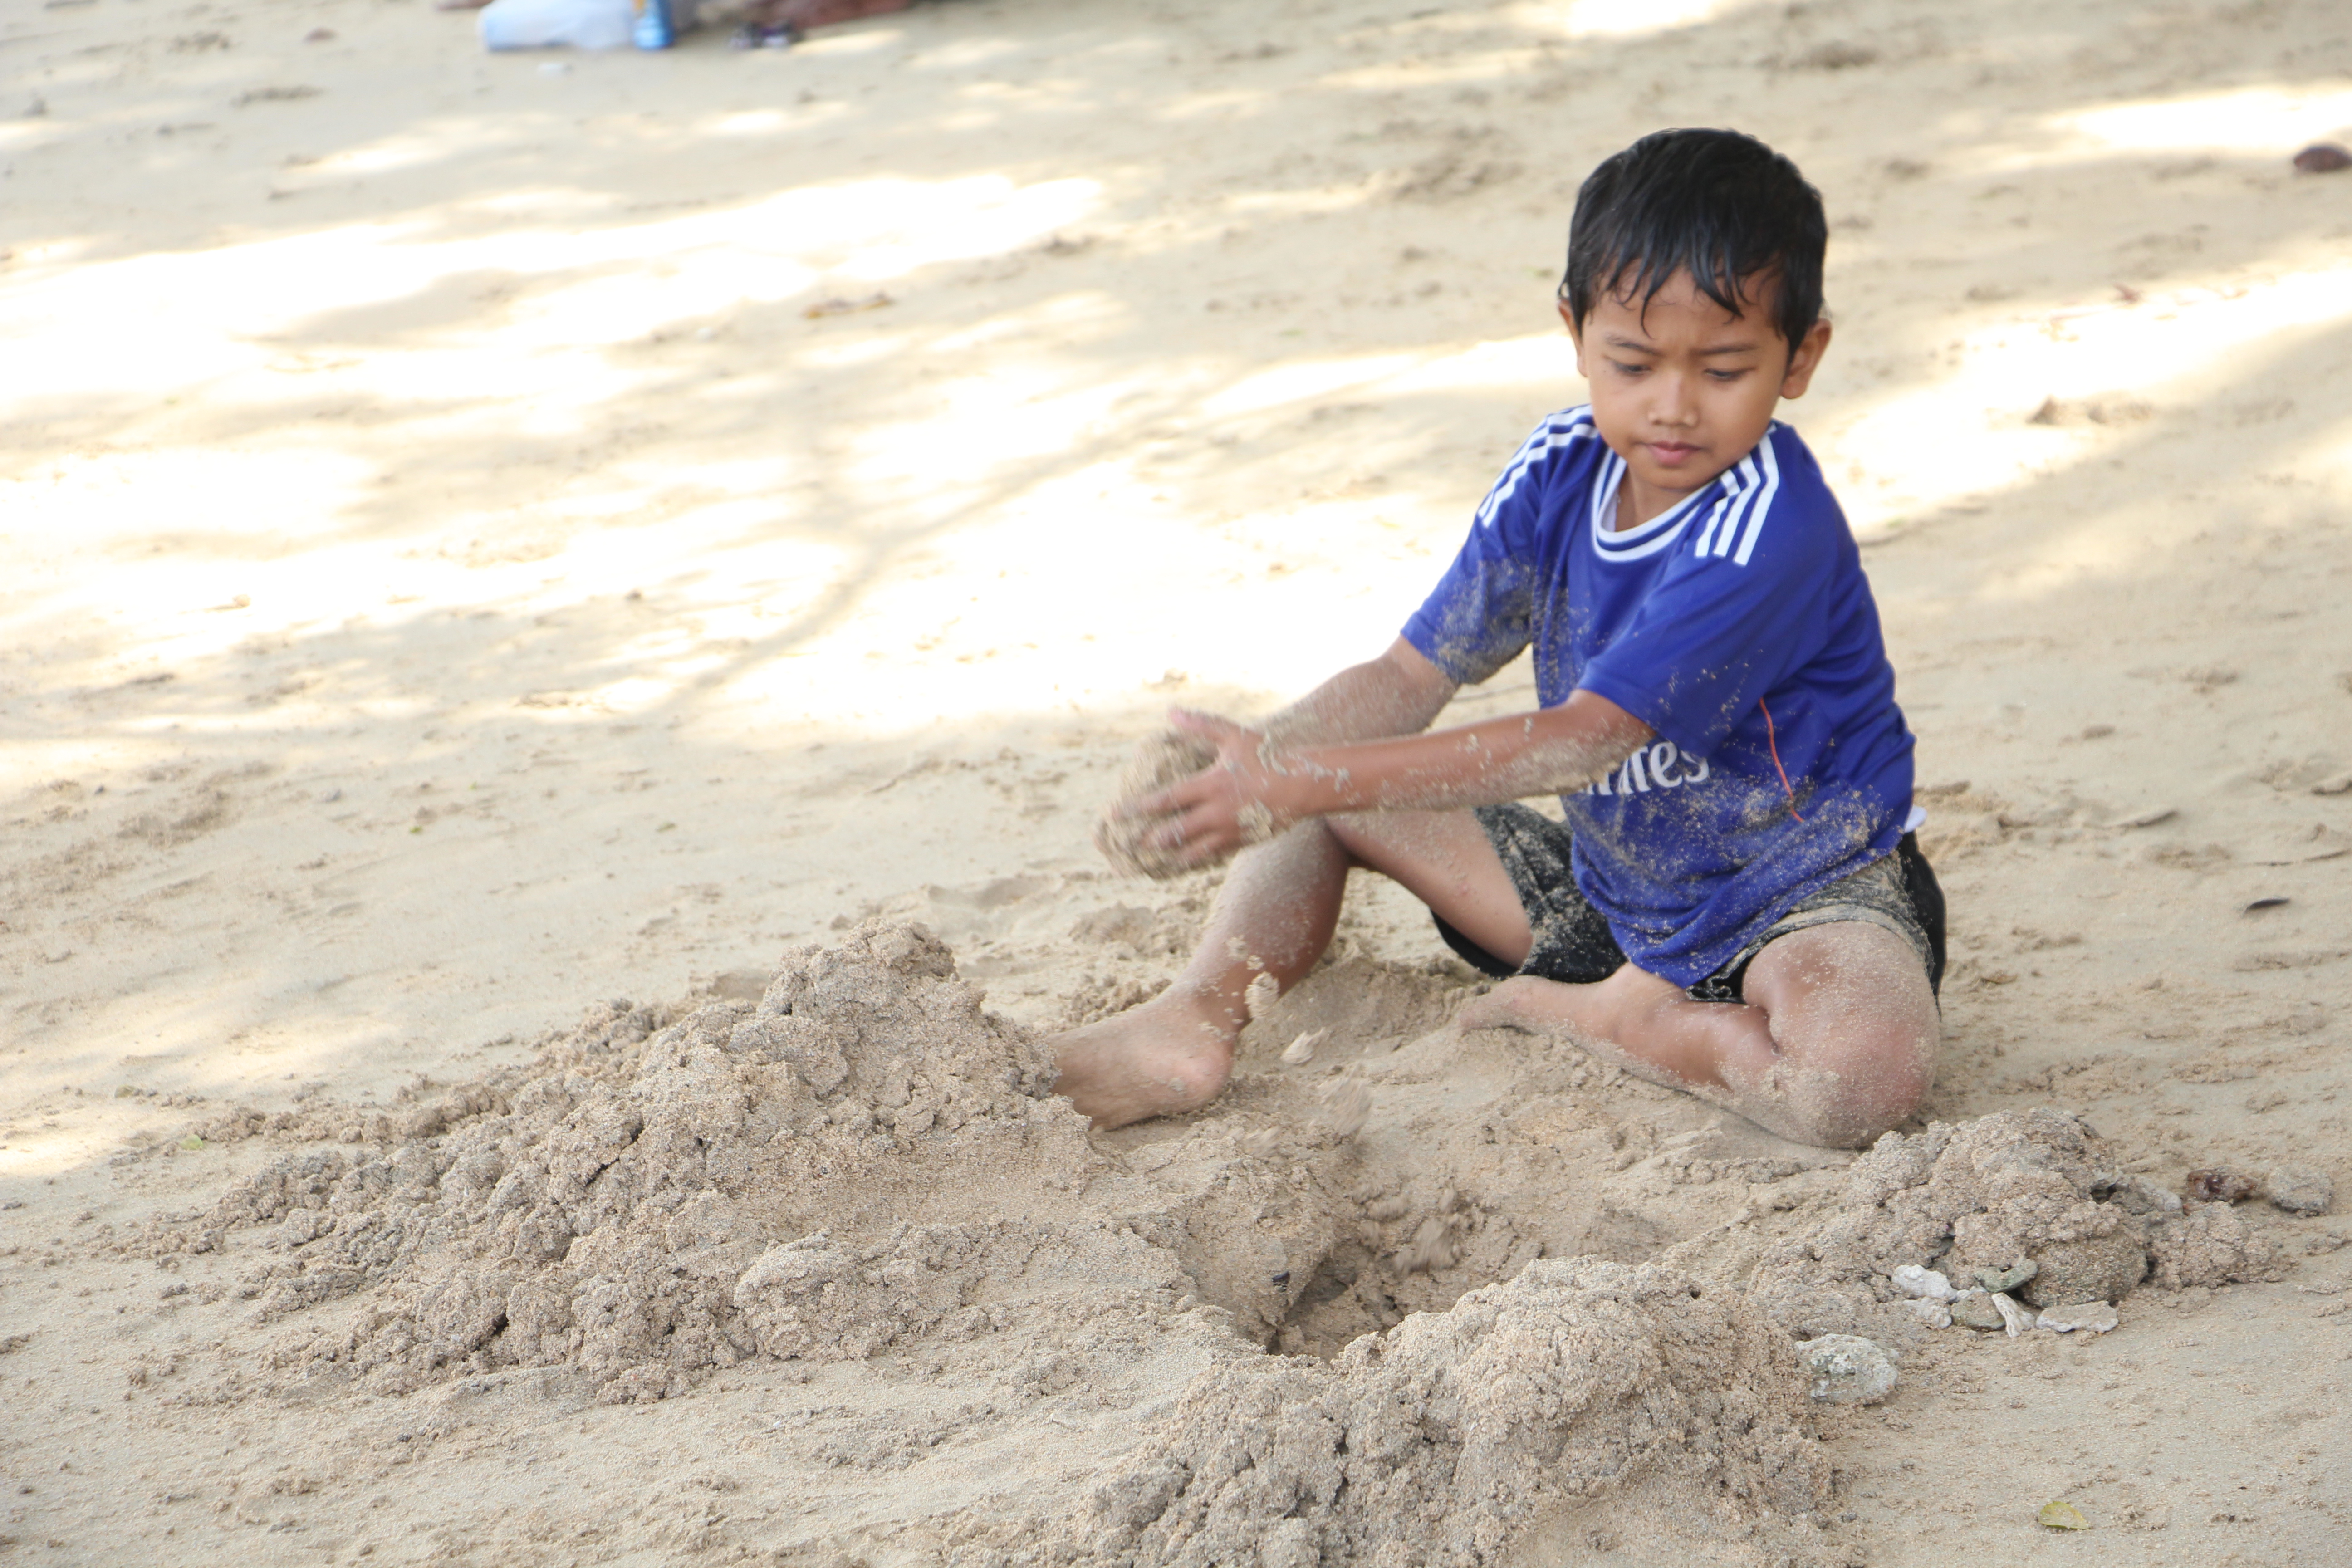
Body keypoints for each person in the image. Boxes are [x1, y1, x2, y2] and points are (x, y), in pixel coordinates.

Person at [1052, 127, 1945, 1152]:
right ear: (1575, 331)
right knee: (1322, 783)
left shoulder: (1767, 527)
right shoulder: (1559, 469)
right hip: (1607, 894)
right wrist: (1259, 766)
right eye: (1634, 361)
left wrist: (1298, 779)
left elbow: (1591, 737)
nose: (1673, 405)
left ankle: (1614, 1017)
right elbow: (1407, 674)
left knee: (1858, 1084)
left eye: (1726, 367)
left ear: (1802, 357)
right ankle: (1192, 1020)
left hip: (1802, 898)